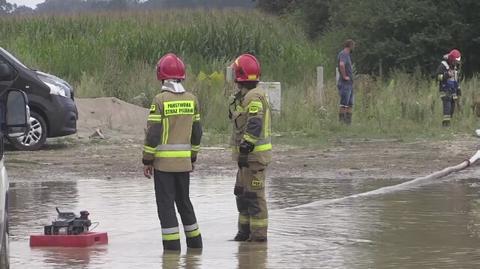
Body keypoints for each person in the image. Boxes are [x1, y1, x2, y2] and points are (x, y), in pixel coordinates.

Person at [142, 53, 203, 251]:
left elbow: (153, 134)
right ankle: (195, 247)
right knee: (184, 203)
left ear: (161, 75)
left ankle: (172, 252)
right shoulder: (192, 100)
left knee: (166, 206)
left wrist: (147, 160)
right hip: (184, 164)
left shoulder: (159, 100)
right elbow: (197, 132)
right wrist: (192, 157)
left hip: (164, 165)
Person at [228, 54, 272, 242]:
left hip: (253, 157)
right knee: (242, 194)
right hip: (246, 158)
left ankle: (258, 239)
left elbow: (255, 122)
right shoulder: (246, 95)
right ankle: (244, 233)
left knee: (254, 197)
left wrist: (246, 146)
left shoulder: (254, 96)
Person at [437, 49, 462, 127]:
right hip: (445, 89)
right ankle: (446, 125)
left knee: (452, 107)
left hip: (453, 90)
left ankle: (448, 122)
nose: (456, 63)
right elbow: (438, 77)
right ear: (452, 59)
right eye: (455, 61)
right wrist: (446, 75)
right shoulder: (443, 65)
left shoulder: (454, 66)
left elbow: (456, 79)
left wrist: (458, 89)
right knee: (447, 105)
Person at [337, 39, 355, 124]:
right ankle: (342, 123)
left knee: (350, 103)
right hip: (345, 83)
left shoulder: (347, 55)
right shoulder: (343, 54)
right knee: (344, 103)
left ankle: (348, 123)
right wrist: (344, 76)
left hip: (350, 83)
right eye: (353, 46)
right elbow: (341, 64)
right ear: (350, 46)